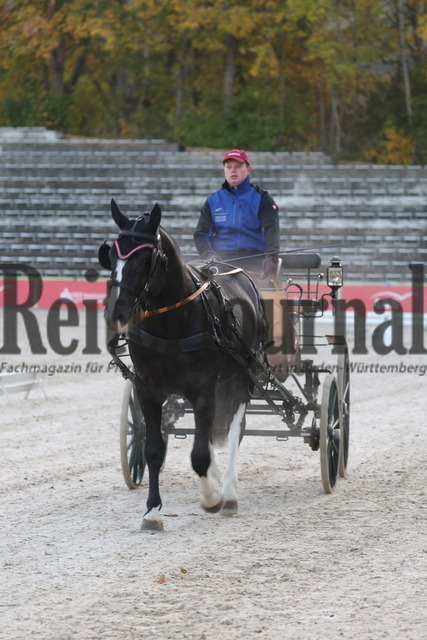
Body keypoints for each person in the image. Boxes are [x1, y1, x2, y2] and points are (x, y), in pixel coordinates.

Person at [194, 149, 280, 279]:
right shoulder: (213, 201)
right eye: (229, 167)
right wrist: (208, 255)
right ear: (224, 170)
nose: (233, 170)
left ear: (248, 170)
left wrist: (271, 256)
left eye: (238, 166)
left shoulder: (263, 198)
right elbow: (201, 234)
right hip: (221, 262)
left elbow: (271, 229)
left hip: (255, 260)